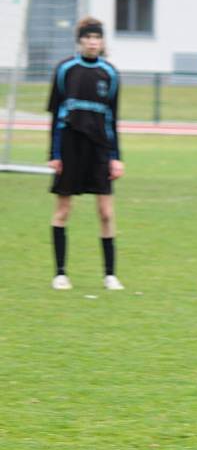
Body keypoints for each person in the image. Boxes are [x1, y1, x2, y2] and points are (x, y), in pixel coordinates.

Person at [47, 16, 124, 291]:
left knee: (105, 212)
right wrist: (54, 153)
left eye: (97, 38)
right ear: (80, 40)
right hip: (70, 146)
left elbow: (113, 120)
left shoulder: (110, 74)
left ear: (102, 42)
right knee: (63, 210)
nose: (92, 42)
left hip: (100, 148)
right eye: (88, 37)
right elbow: (55, 115)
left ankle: (110, 275)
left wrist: (116, 157)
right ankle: (60, 273)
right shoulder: (65, 69)